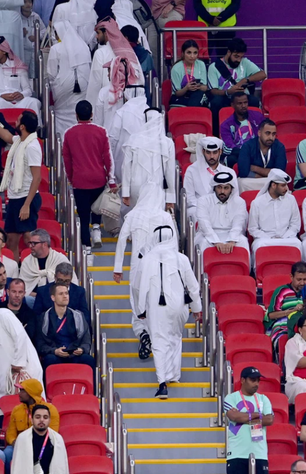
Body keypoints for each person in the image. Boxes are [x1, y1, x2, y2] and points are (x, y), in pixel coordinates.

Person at [135, 224, 202, 399]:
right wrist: (197, 308)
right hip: (180, 306)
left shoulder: (147, 259)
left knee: (159, 340)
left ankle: (162, 383)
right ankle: (174, 374)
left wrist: (140, 309)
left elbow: (141, 287)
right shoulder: (182, 258)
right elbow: (193, 286)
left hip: (158, 306)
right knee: (175, 336)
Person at [113, 185, 175, 359]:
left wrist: (118, 267)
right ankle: (155, 335)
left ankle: (142, 333)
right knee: (155, 300)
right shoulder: (165, 216)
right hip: (160, 265)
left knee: (137, 302)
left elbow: (121, 241)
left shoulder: (133, 215)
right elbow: (173, 242)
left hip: (137, 265)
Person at [62, 100, 116, 249]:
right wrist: (111, 180)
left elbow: (67, 160)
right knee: (97, 207)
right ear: (92, 114)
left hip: (80, 180)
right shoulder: (101, 131)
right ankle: (97, 229)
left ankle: (86, 249)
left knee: (83, 216)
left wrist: (71, 178)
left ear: (76, 115)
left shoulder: (69, 133)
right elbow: (108, 157)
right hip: (98, 177)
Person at [120, 105, 177, 209]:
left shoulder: (133, 139)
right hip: (158, 186)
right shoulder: (167, 143)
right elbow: (170, 172)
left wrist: (126, 192)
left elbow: (126, 167)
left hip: (137, 186)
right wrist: (170, 198)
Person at [1, 113, 43, 253]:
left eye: (18, 120)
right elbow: (7, 136)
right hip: (14, 198)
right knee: (11, 239)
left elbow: (37, 178)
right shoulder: (20, 141)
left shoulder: (32, 146)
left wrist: (26, 205)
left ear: (22, 126)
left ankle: (38, 269)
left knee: (28, 238)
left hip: (25, 198)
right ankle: (14, 272)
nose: (15, 121)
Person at [224, 366, 273, 474]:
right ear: (242, 380)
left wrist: (243, 417)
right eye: (253, 380)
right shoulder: (231, 398)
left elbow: (269, 420)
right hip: (237, 453)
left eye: (258, 381)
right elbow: (234, 417)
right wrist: (258, 415)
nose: (256, 384)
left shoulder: (263, 398)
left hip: (260, 453)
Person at [47, 20, 91, 136]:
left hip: (63, 87)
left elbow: (51, 73)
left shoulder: (56, 48)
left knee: (62, 116)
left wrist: (56, 85)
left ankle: (62, 145)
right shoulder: (84, 46)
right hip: (83, 85)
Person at [36, 284, 95, 368]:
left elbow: (86, 339)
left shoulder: (78, 316)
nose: (65, 296)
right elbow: (40, 343)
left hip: (74, 354)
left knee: (88, 360)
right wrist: (54, 351)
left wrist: (81, 349)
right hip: (55, 354)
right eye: (61, 294)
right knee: (49, 360)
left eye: (66, 293)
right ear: (53, 298)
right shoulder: (44, 317)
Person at [3, 378, 59, 465]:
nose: (19, 393)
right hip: (20, 445)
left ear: (30, 393)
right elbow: (10, 433)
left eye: (22, 391)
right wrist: (15, 442)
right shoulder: (17, 410)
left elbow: (52, 433)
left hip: (41, 445)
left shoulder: (50, 410)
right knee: (8, 452)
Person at [208, 38, 266, 120]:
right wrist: (228, 92)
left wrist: (245, 80)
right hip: (224, 96)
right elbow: (213, 91)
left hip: (242, 96)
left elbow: (262, 74)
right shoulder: (213, 67)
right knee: (216, 102)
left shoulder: (244, 62)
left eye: (241, 57)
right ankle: (216, 131)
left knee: (254, 101)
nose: (238, 60)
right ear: (229, 52)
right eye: (236, 56)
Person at [248, 169, 301, 259]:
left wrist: (284, 237)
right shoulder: (257, 203)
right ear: (273, 185)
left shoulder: (291, 199)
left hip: (287, 238)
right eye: (283, 185)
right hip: (265, 239)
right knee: (259, 245)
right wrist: (269, 238)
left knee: (297, 244)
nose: (286, 189)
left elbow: (295, 224)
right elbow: (253, 229)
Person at [184, 136, 239, 220]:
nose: (212, 156)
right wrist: (206, 207)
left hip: (224, 208)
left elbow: (234, 197)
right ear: (203, 152)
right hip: (199, 207)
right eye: (208, 152)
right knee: (194, 213)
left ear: (220, 152)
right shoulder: (192, 170)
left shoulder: (229, 172)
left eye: (214, 152)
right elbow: (190, 198)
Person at [0, 37, 41, 114]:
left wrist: (21, 95)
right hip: (1, 101)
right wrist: (1, 96)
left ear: (4, 51)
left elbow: (28, 90)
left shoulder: (18, 66)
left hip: (20, 102)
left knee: (34, 102)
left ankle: (36, 126)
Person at [196, 172, 249, 254]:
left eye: (226, 188)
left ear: (231, 189)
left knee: (243, 241)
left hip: (230, 234)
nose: (222, 191)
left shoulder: (239, 202)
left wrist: (232, 240)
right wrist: (216, 241)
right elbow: (204, 225)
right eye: (219, 187)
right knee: (203, 243)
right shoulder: (203, 201)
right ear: (214, 188)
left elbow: (238, 224)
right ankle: (201, 267)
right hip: (208, 235)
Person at [11, 405, 68, 474]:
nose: (41, 420)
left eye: (45, 417)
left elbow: (62, 467)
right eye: (38, 417)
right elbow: (18, 467)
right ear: (31, 420)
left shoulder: (57, 439)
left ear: (49, 420)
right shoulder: (22, 438)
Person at [20, 229, 77, 296]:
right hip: (32, 298)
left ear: (44, 244)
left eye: (34, 243)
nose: (30, 246)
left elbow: (72, 284)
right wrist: (39, 296)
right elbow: (21, 289)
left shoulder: (60, 259)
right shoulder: (27, 262)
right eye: (30, 243)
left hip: (57, 298)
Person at [238, 119, 287, 189]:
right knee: (241, 182)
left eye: (273, 134)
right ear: (259, 133)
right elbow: (243, 172)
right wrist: (265, 175)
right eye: (267, 133)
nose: (271, 137)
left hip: (272, 182)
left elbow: (280, 173)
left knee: (282, 184)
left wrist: (255, 168)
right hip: (253, 181)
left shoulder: (279, 147)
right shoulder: (248, 146)